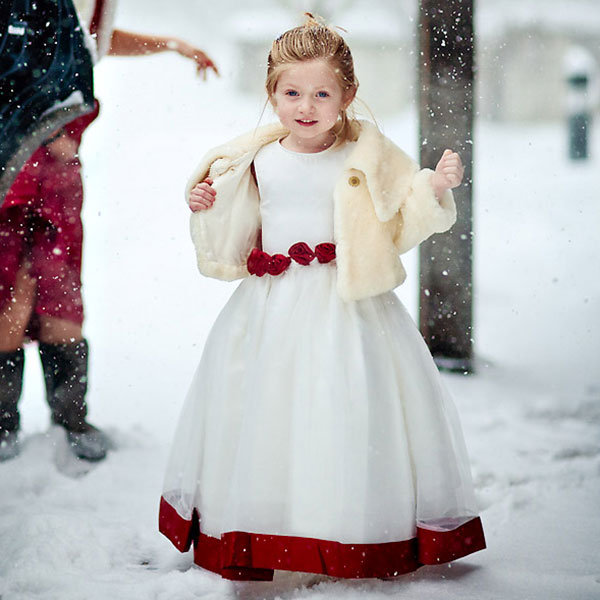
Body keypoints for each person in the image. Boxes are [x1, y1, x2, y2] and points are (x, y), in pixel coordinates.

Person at [159, 14, 485, 582]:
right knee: (267, 410)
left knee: (347, 406)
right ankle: (268, 519)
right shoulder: (253, 160)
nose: (305, 106)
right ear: (271, 94)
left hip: (349, 305)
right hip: (270, 307)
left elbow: (399, 218)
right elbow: (236, 230)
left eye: (321, 93)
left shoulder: (367, 158)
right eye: (291, 93)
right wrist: (207, 200)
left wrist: (432, 188)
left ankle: (347, 526)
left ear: (348, 95)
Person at [0, 7, 218, 463]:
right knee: (11, 295)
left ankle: (70, 418)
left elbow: (91, 41)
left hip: (58, 179)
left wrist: (170, 44)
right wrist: (38, 127)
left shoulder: (80, 9)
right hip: (13, 168)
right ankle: (4, 423)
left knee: (61, 292)